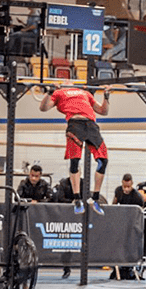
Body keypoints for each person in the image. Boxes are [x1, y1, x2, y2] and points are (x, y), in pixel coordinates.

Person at [40, 82, 110, 216]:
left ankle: (95, 198)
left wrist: (106, 96)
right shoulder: (58, 92)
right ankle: (77, 199)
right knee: (75, 161)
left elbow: (103, 111)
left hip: (91, 125)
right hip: (75, 124)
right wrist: (49, 92)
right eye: (65, 81)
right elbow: (43, 108)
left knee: (103, 161)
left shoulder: (85, 93)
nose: (68, 82)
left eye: (70, 81)